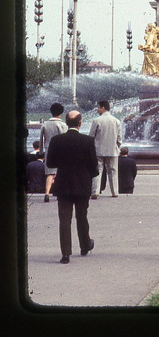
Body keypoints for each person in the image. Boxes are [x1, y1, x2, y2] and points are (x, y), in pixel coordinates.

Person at [46, 111, 99, 264]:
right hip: (83, 184)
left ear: (66, 123)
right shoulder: (88, 141)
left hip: (63, 184)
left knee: (64, 219)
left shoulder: (57, 140)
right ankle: (84, 245)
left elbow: (50, 163)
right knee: (82, 216)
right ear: (80, 123)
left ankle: (65, 254)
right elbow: (93, 163)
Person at [89, 100, 122, 199]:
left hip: (98, 150)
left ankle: (95, 191)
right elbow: (119, 138)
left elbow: (91, 136)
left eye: (98, 108)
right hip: (112, 150)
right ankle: (115, 192)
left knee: (97, 171)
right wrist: (116, 145)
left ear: (103, 108)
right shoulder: (116, 121)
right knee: (113, 171)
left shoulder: (96, 120)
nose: (97, 110)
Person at [40, 102, 67, 203]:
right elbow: (65, 139)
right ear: (61, 112)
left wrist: (41, 151)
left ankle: (47, 193)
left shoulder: (45, 125)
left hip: (48, 150)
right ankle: (60, 192)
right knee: (61, 172)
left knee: (49, 173)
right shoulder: (63, 125)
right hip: (61, 151)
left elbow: (41, 139)